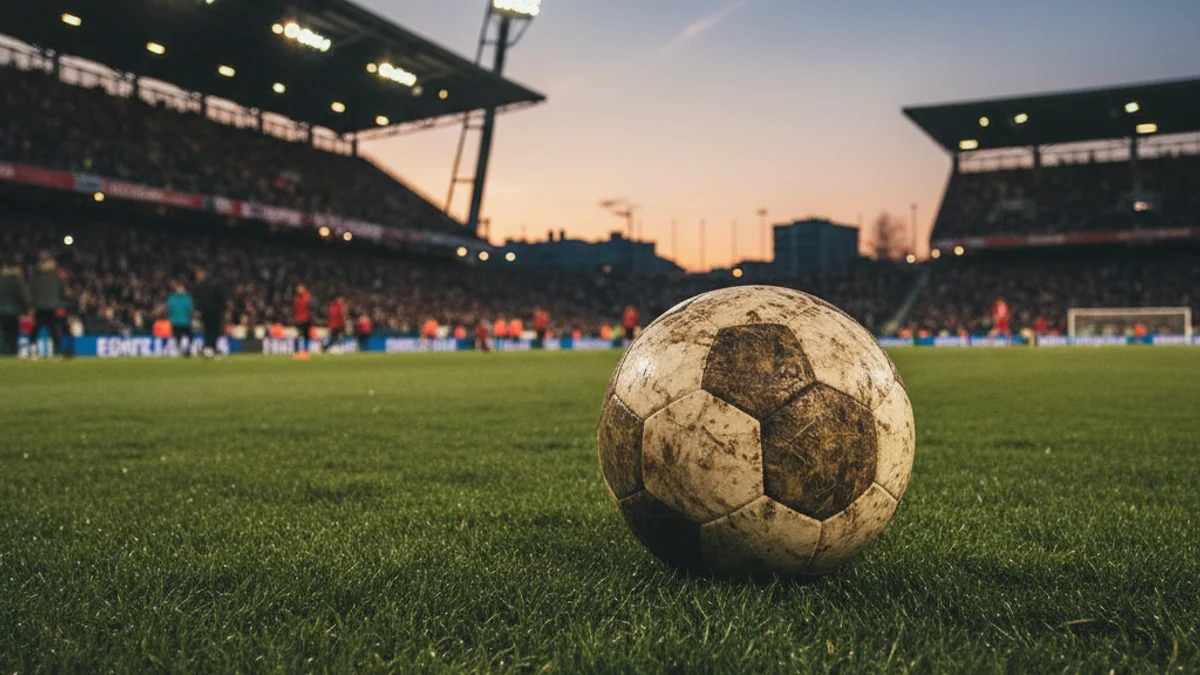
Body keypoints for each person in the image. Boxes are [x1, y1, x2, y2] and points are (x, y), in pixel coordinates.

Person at [29, 255, 67, 358]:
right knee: (54, 330)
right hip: (52, 307)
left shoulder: (36, 279)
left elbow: (32, 293)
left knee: (36, 329)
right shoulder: (57, 279)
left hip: (40, 307)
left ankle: (32, 349)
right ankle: (58, 351)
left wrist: (32, 306)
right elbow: (62, 293)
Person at [192, 268, 227, 358]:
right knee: (214, 330)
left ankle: (208, 348)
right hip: (216, 311)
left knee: (207, 330)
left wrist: (197, 309)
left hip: (205, 311)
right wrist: (223, 310)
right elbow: (223, 298)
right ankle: (213, 348)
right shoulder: (218, 284)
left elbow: (196, 299)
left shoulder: (199, 286)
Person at [0, 259, 28, 356]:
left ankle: (4, 352)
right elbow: (23, 296)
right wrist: (25, 309)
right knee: (13, 332)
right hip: (13, 310)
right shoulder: (18, 281)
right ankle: (12, 351)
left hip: (2, 310)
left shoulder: (2, 280)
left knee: (4, 332)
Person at [166, 281, 194, 356]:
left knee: (188, 336)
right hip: (178, 321)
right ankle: (179, 349)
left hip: (184, 321)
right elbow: (190, 309)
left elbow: (169, 309)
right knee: (179, 336)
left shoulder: (186, 297)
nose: (180, 289)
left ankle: (186, 349)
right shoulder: (173, 298)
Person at [292, 284, 314, 355]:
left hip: (306, 319)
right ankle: (296, 351)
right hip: (298, 320)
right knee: (297, 335)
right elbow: (295, 309)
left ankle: (306, 350)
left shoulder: (307, 297)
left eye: (300, 289)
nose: (299, 290)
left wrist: (310, 318)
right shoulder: (297, 298)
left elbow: (310, 308)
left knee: (306, 335)